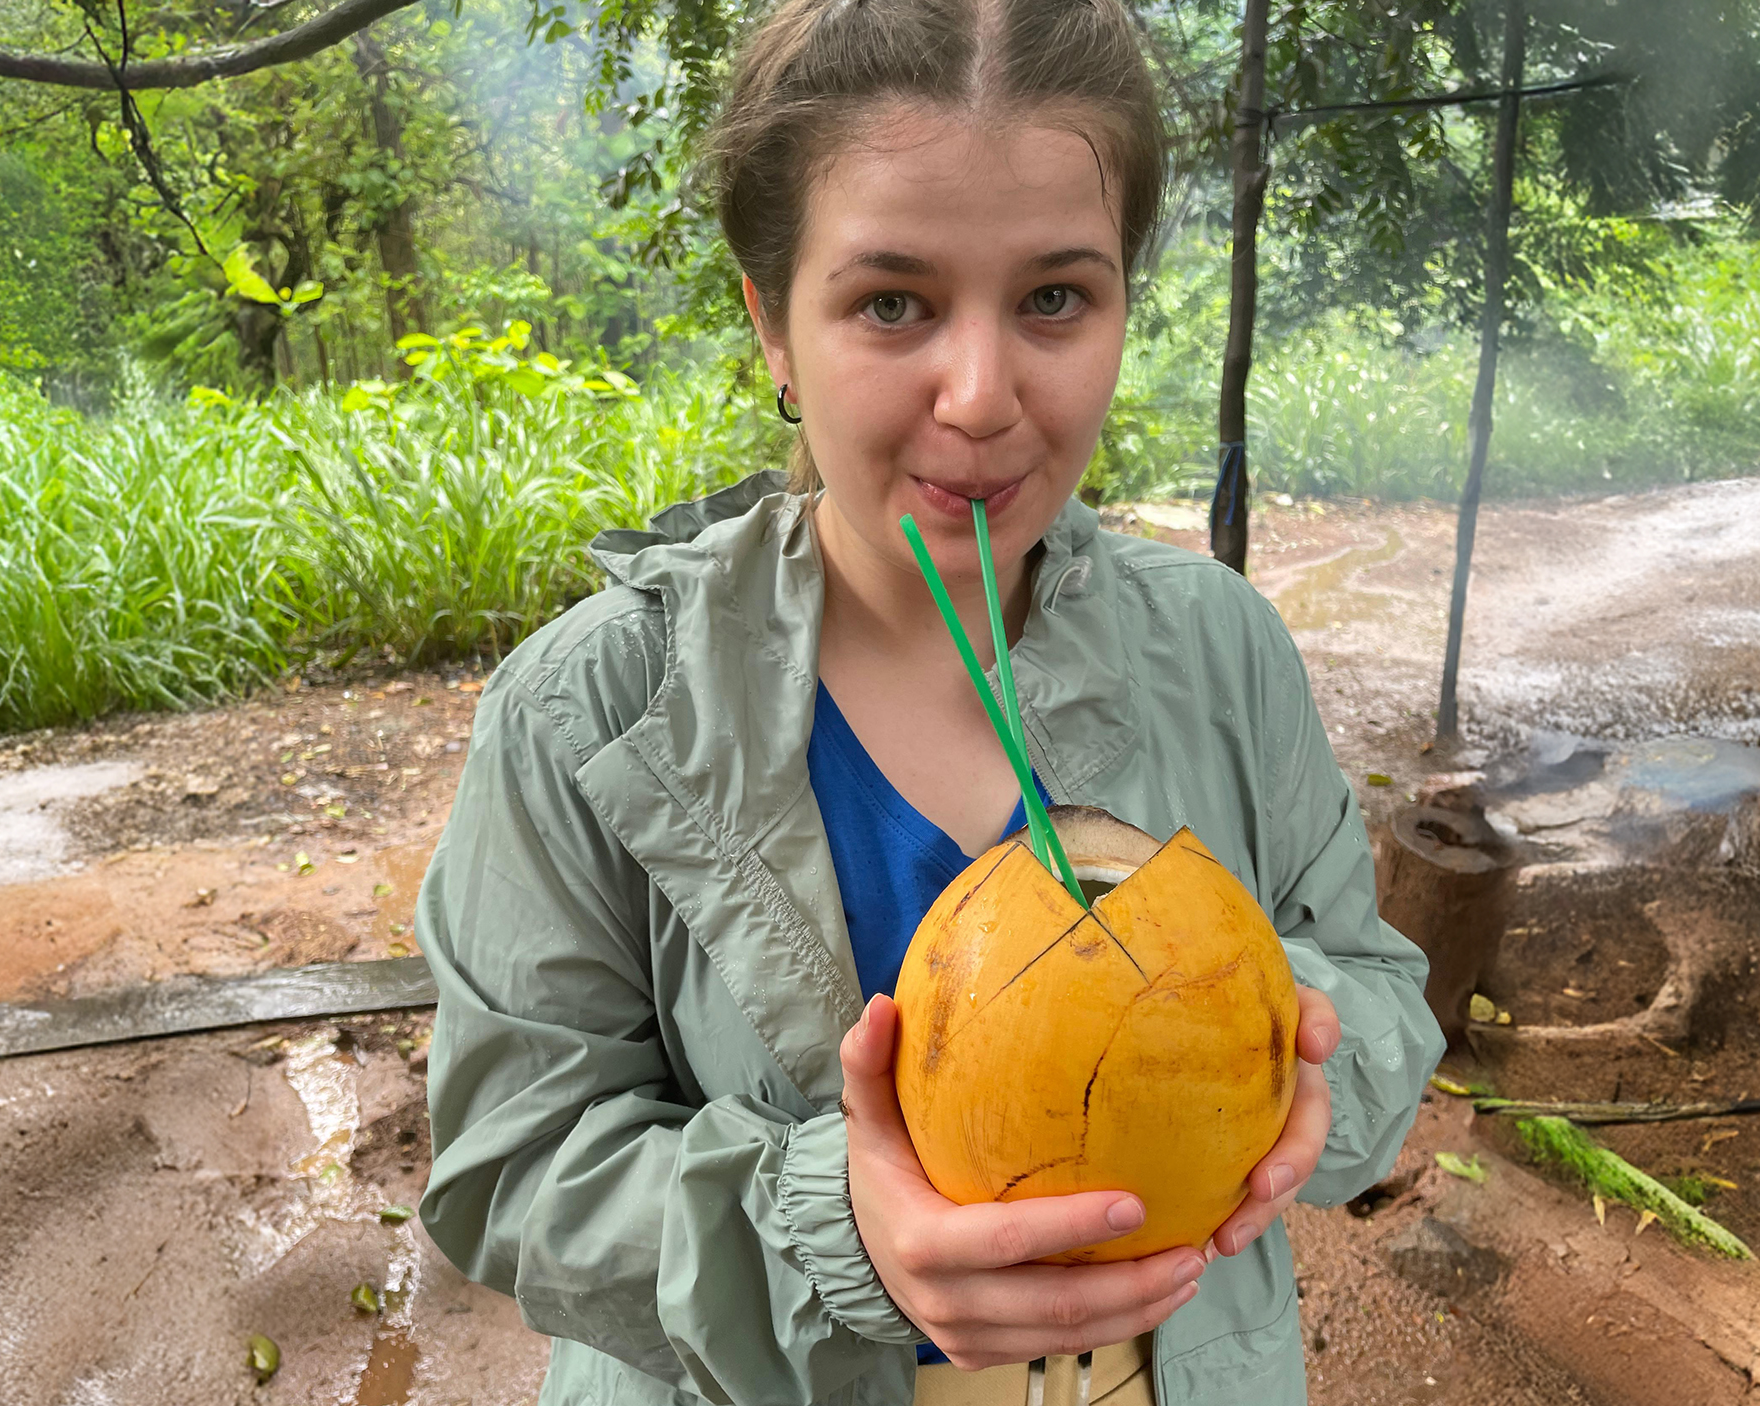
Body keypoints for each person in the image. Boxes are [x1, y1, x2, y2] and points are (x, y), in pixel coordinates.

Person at [414, 0, 1442, 1401]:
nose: (980, 393)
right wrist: (837, 1228)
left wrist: (1293, 1069)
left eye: (1054, 299)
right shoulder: (588, 712)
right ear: (771, 319)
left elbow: (1377, 995)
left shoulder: (1219, 648)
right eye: (893, 302)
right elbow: (508, 1173)